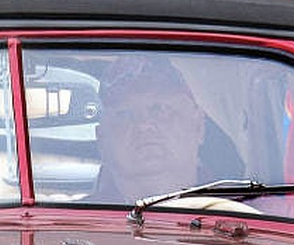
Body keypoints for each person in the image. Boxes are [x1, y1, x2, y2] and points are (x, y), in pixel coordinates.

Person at [89, 55, 244, 203]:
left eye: (160, 109)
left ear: (198, 126)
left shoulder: (243, 218)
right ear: (102, 140)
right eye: (124, 114)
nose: (143, 125)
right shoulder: (77, 224)